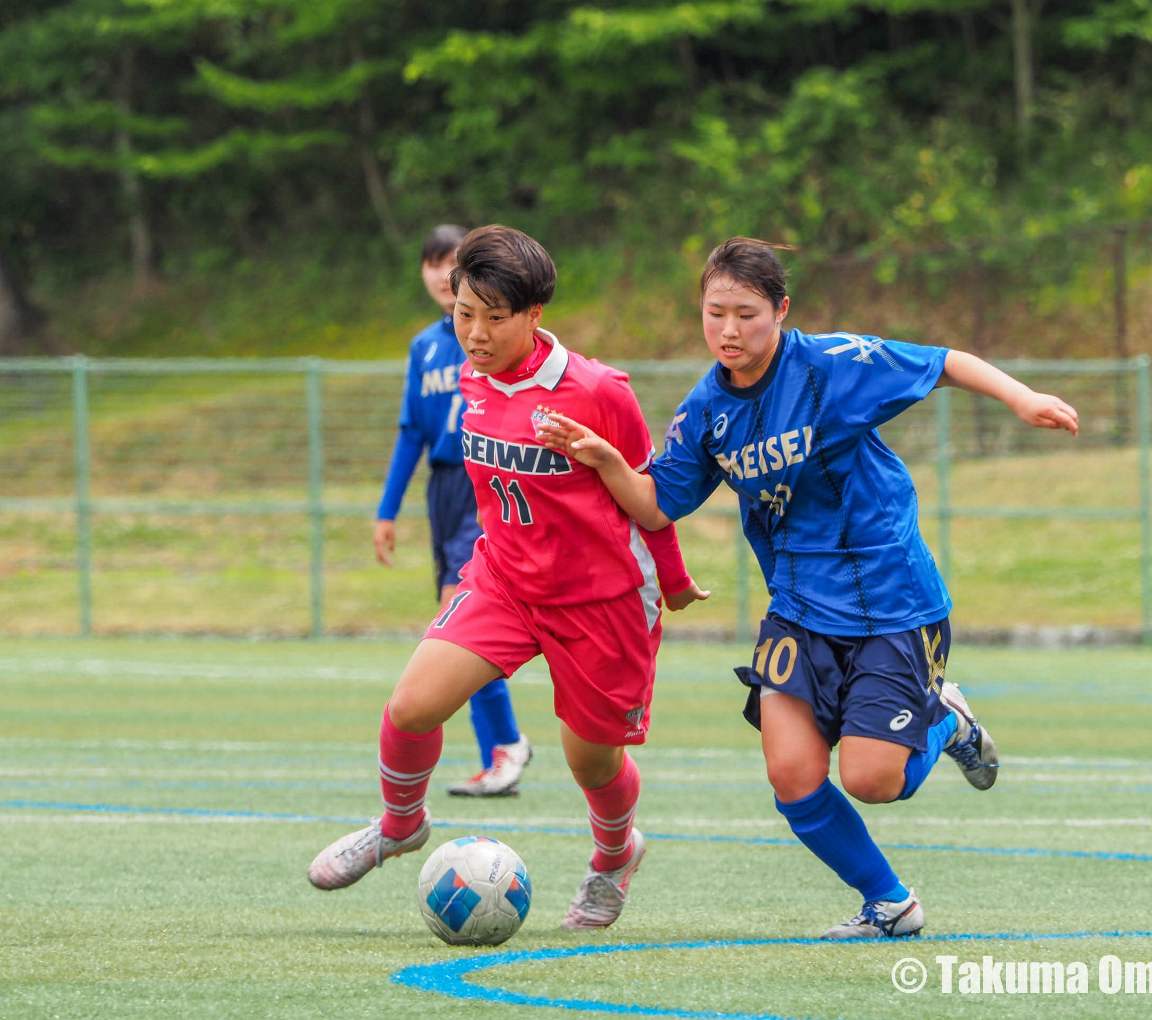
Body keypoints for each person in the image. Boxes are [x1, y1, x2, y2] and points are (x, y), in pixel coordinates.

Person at [536, 236, 1079, 940]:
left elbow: (943, 362)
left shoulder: (830, 367)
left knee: (873, 780)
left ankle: (945, 718)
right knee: (792, 775)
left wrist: (1022, 396)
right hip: (798, 607)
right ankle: (890, 904)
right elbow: (654, 506)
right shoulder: (707, 411)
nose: (728, 331)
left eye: (747, 314)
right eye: (714, 313)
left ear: (781, 311)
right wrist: (606, 458)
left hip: (890, 600)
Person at [310, 225, 710, 930]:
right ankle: (401, 826)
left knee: (591, 763)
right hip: (504, 582)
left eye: (496, 318)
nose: (477, 332)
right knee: (409, 707)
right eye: (466, 313)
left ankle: (614, 856)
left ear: (534, 315)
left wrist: (673, 582)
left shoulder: (597, 391)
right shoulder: (469, 374)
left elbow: (653, 497)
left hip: (599, 601)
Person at [374, 224, 532, 798]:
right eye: (432, 263)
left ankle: (505, 746)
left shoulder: (501, 338)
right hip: (442, 490)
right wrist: (386, 510)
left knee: (458, 617)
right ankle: (501, 748)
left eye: (453, 262)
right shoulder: (426, 347)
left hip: (484, 483)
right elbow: (411, 433)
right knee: (455, 619)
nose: (443, 274)